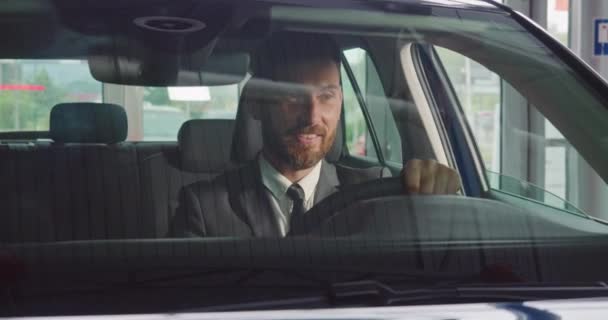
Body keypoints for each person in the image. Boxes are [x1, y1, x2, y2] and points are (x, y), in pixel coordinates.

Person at [170, 32, 461, 238]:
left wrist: (438, 193)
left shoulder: (378, 190)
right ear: (257, 104)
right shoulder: (204, 206)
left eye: (326, 96)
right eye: (293, 97)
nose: (311, 117)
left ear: (341, 102)